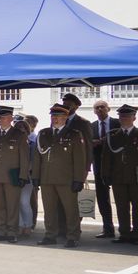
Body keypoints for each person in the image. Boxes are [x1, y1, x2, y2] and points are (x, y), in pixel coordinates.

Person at [34, 102, 88, 247]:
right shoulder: (43, 133)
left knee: (70, 210)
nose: (55, 119)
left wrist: (78, 179)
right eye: (53, 116)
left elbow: (79, 159)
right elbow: (37, 157)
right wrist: (36, 176)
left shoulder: (74, 134)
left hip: (66, 179)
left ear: (66, 117)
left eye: (59, 116)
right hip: (47, 178)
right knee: (49, 209)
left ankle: (73, 236)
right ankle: (50, 235)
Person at [0, 106, 31, 242]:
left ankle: (12, 232)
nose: (0, 120)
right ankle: (1, 230)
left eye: (3, 117)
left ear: (10, 118)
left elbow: (24, 158)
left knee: (12, 206)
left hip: (12, 176)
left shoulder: (19, 134)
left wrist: (23, 176)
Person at [105, 104, 138, 244]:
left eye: (128, 116)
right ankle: (124, 233)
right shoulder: (112, 135)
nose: (124, 119)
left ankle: (137, 234)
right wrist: (105, 175)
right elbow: (106, 157)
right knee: (121, 206)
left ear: (134, 118)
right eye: (122, 116)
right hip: (118, 176)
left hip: (137, 177)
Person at [90, 100, 118, 238]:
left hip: (117, 166)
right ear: (94, 111)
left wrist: (106, 141)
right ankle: (108, 229)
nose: (100, 109)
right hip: (99, 166)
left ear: (108, 109)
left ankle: (127, 230)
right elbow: (86, 144)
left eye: (102, 107)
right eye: (97, 108)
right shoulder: (92, 126)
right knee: (102, 199)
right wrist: (93, 143)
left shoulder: (117, 123)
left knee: (121, 199)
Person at [18, 115, 40, 238]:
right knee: (17, 202)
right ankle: (21, 225)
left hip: (27, 176)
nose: (21, 131)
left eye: (23, 129)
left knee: (24, 201)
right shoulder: (14, 142)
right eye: (19, 129)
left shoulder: (33, 142)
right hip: (14, 175)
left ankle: (28, 225)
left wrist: (25, 171)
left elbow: (33, 161)